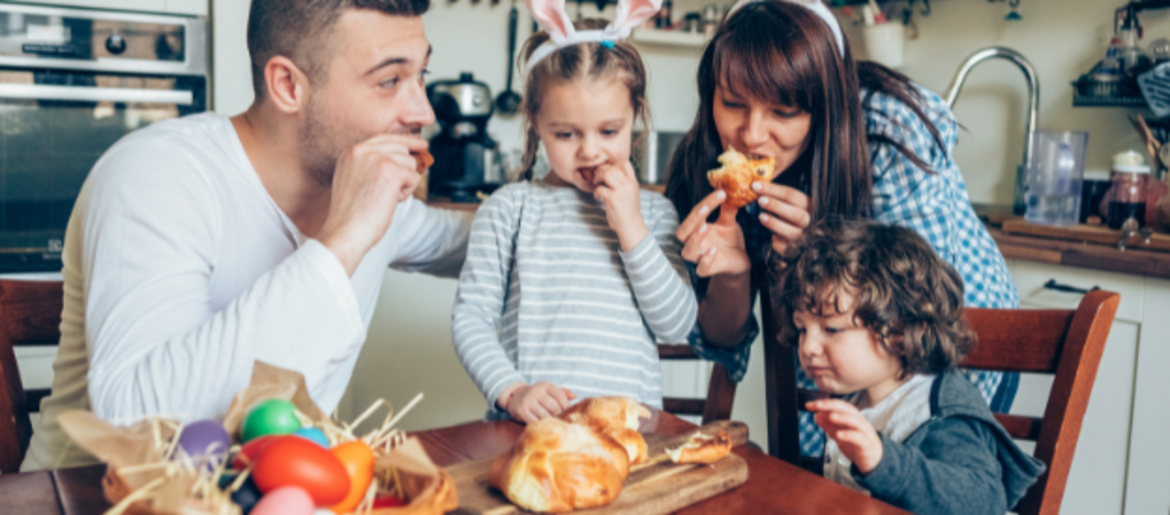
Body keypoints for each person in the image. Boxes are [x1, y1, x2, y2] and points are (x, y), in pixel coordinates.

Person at [22, 0, 472, 471]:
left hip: (267, 495)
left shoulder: (377, 204)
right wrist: (345, 238)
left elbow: (480, 242)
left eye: (422, 74)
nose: (423, 111)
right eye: (389, 81)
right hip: (80, 498)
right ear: (287, 85)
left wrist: (554, 170)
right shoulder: (158, 175)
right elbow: (140, 427)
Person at [664, 0, 1021, 457]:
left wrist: (822, 251)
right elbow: (721, 341)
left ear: (824, 105)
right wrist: (732, 274)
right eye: (733, 103)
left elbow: (923, 310)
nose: (751, 134)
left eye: (784, 112)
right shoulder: (703, 161)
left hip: (956, 359)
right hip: (839, 367)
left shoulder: (892, 132)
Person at [452, 0, 696, 423]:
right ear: (534, 121)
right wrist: (512, 392)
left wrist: (632, 229)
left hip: (629, 436)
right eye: (565, 133)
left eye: (609, 131)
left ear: (634, 115)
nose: (589, 150)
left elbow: (676, 327)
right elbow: (470, 319)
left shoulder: (654, 214)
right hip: (529, 434)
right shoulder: (510, 209)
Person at [776, 218, 1044, 514]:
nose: (808, 347)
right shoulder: (852, 393)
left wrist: (883, 461)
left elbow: (985, 500)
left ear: (900, 333)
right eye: (802, 329)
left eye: (832, 330)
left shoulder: (940, 411)